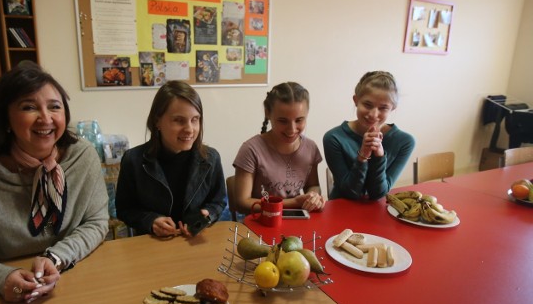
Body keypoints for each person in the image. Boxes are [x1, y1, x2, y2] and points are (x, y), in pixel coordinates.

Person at [0, 61, 109, 303]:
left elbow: (97, 222)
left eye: (55, 107)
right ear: (6, 118)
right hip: (3, 288)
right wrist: (2, 278)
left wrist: (56, 258)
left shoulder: (82, 156)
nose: (45, 118)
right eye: (29, 107)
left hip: (73, 275)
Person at [115, 80, 225, 237]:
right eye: (178, 120)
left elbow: (218, 201)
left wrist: (208, 214)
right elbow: (124, 209)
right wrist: (151, 221)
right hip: (151, 245)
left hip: (194, 242)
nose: (189, 129)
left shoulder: (211, 158)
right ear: (157, 121)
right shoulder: (134, 160)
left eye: (195, 119)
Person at [233, 82, 325, 215]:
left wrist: (313, 196)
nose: (292, 129)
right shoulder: (251, 149)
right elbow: (242, 203)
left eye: (299, 120)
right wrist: (294, 203)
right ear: (267, 113)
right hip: (261, 223)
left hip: (297, 220)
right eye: (283, 121)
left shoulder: (310, 148)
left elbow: (313, 185)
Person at [323, 71, 415, 200]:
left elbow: (379, 193)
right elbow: (350, 193)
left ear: (393, 108)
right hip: (342, 210)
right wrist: (363, 156)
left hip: (378, 213)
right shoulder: (334, 138)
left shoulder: (404, 142)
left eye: (383, 108)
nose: (373, 114)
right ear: (356, 100)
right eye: (367, 105)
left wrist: (379, 156)